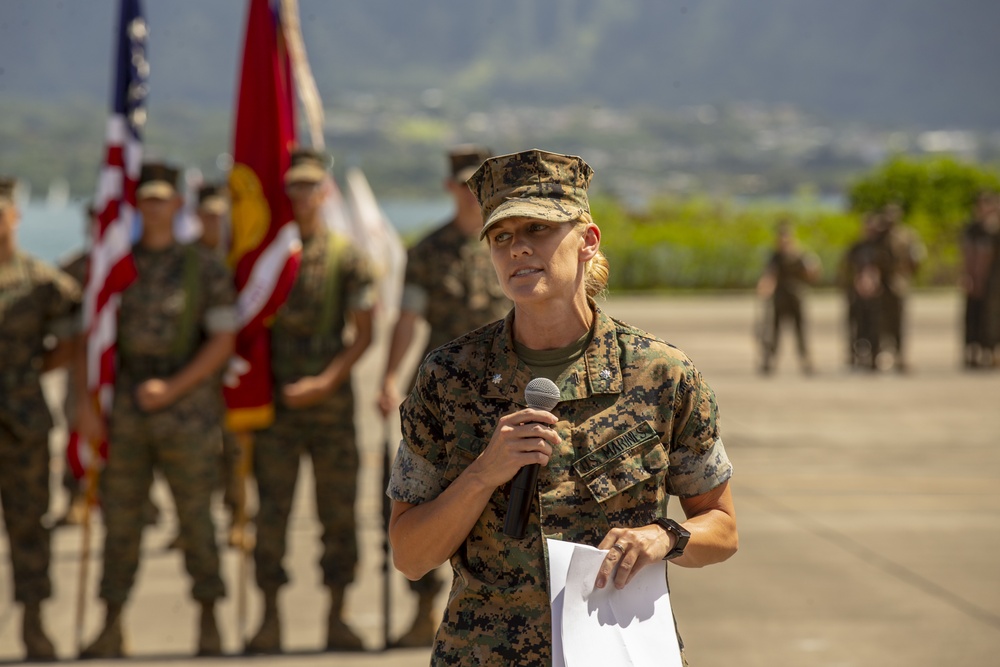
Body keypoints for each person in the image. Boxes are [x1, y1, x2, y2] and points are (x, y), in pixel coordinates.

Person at [386, 149, 738, 664]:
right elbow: (410, 555)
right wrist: (483, 474)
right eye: (501, 236)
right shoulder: (448, 378)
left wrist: (663, 536)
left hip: (620, 650)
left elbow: (723, 529)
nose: (518, 249)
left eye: (538, 228)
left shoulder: (661, 374)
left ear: (588, 241)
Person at [76, 162, 237, 658]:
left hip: (186, 414)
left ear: (177, 205)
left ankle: (209, 618)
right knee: (121, 521)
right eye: (146, 198)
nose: (154, 206)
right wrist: (86, 404)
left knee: (195, 520)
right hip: (124, 415)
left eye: (162, 198)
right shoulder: (114, 265)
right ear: (137, 205)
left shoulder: (203, 267)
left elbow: (222, 341)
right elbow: (92, 337)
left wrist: (172, 388)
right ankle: (110, 621)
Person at [376, 144, 511, 647]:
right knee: (424, 501)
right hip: (442, 400)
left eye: (477, 183)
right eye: (461, 183)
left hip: (506, 397)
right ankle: (423, 607)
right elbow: (408, 319)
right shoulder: (427, 252)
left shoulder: (509, 241)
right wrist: (389, 377)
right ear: (449, 187)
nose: (468, 192)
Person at [246, 148, 377, 653]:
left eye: (311, 188)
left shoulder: (348, 257)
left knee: (338, 514)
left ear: (325, 192)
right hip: (275, 408)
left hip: (329, 408)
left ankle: (337, 616)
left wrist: (326, 382)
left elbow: (363, 334)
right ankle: (268, 619)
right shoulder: (268, 256)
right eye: (294, 189)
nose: (303, 198)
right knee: (271, 514)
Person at [0, 175, 81, 661]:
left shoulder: (41, 281)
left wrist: (29, 373)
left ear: (15, 217)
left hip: (22, 422)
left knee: (29, 527)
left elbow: (73, 338)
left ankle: (34, 624)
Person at [755, 220, 820, 375]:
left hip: (797, 297)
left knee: (801, 331)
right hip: (780, 298)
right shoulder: (775, 256)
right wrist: (765, 286)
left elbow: (813, 271)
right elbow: (769, 275)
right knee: (774, 331)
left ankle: (806, 361)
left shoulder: (801, 254)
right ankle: (769, 361)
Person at [874, 202, 925, 372]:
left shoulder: (907, 235)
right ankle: (882, 354)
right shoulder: (878, 236)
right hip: (880, 284)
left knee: (899, 322)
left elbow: (916, 256)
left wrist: (908, 274)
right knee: (880, 322)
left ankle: (901, 355)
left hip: (899, 282)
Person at [840, 212, 886, 370]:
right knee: (856, 326)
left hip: (877, 295)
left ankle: (876, 356)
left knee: (876, 326)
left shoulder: (882, 247)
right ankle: (855, 356)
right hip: (856, 294)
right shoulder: (856, 248)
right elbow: (846, 268)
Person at [959, 191, 999, 368]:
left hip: (994, 280)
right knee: (973, 315)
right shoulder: (972, 229)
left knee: (992, 317)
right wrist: (967, 275)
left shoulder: (995, 230)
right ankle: (973, 353)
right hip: (976, 279)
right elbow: (968, 254)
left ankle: (991, 353)